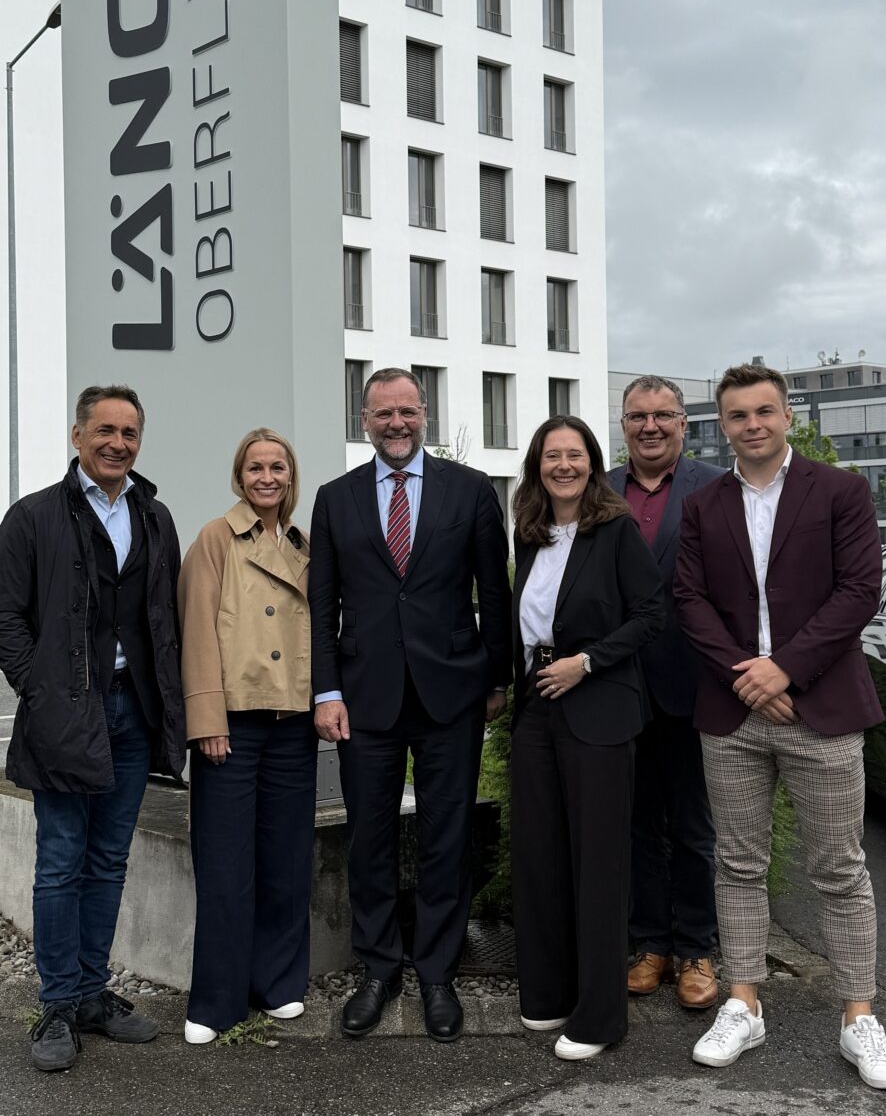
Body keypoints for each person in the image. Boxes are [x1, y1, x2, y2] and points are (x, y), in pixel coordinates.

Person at [674, 363, 886, 1091]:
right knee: (737, 862)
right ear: (723, 424)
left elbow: (859, 589)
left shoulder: (840, 491)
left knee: (839, 867)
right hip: (733, 710)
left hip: (823, 710)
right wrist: (750, 672)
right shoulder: (705, 504)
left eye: (764, 411)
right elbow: (690, 597)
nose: (752, 424)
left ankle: (858, 1016)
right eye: (737, 415)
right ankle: (743, 1000)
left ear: (788, 417)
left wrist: (787, 669)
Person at [0, 385, 185, 1072]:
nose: (117, 442)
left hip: (133, 711)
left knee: (109, 858)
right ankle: (58, 1003)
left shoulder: (154, 516)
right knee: (61, 860)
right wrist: (40, 688)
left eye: (129, 432)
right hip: (66, 712)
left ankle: (94, 993)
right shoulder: (34, 515)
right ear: (77, 435)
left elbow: (166, 621)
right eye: (104, 429)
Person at [308, 367, 511, 1043]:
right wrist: (326, 689)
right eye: (382, 413)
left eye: (406, 410)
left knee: (444, 836)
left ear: (424, 412)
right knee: (368, 835)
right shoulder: (335, 499)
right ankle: (378, 967)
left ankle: (436, 971)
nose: (396, 423)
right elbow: (323, 605)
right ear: (363, 419)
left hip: (451, 691)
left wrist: (497, 678)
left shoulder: (472, 491)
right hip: (363, 698)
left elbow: (495, 593)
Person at [509, 415, 665, 1060]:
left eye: (574, 455)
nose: (563, 466)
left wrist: (589, 662)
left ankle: (599, 1019)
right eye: (552, 456)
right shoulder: (530, 532)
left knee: (599, 863)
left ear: (593, 463)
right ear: (537, 466)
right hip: (536, 706)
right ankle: (548, 996)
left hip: (597, 703)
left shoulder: (616, 528)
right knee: (540, 855)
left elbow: (653, 614)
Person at [176, 428, 317, 1045]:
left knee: (285, 861)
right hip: (231, 724)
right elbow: (197, 631)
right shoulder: (215, 538)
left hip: (292, 721)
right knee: (225, 864)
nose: (267, 477)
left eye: (277, 467)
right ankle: (216, 1000)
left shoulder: (304, 543)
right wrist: (205, 719)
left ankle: (279, 984)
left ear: (291, 476)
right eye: (255, 467)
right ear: (240, 476)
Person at [608, 377, 723, 1009]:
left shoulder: (715, 487)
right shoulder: (596, 489)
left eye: (662, 416)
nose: (650, 427)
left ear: (684, 422)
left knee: (693, 827)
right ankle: (649, 943)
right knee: (634, 824)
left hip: (691, 683)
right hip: (617, 686)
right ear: (622, 424)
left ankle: (698, 949)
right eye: (637, 416)